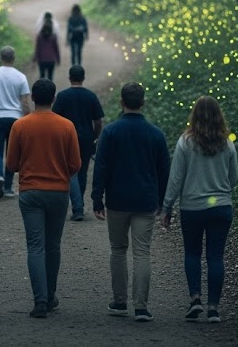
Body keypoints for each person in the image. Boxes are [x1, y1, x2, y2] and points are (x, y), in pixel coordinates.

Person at [92, 82, 170, 323]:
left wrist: (97, 199)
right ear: (143, 102)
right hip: (145, 201)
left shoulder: (111, 132)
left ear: (121, 102)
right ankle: (141, 306)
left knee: (118, 250)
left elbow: (101, 167)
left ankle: (119, 301)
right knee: (142, 252)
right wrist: (162, 201)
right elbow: (164, 171)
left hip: (117, 200)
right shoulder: (155, 133)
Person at [6, 78, 82, 318]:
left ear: (32, 99)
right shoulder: (67, 126)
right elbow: (76, 164)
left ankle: (40, 301)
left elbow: (11, 164)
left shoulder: (19, 126)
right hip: (59, 192)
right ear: (54, 98)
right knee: (53, 245)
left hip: (30, 192)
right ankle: (50, 296)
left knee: (35, 247)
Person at [161, 96, 238, 324]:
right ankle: (213, 308)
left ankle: (195, 299)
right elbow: (233, 178)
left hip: (192, 207)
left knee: (192, 253)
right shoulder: (228, 143)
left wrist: (167, 206)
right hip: (221, 207)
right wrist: (221, 190)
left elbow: (176, 178)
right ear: (218, 116)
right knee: (216, 257)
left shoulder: (185, 142)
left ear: (194, 115)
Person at [52, 65, 104, 221]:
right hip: (86, 138)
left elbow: (54, 119)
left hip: (67, 139)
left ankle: (77, 206)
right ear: (83, 78)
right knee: (82, 171)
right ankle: (79, 203)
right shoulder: (91, 96)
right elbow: (98, 121)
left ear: (69, 78)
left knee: (70, 172)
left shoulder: (62, 96)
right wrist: (94, 135)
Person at [0, 45, 31, 199]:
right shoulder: (21, 77)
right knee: (12, 153)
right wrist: (28, 121)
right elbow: (25, 103)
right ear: (13, 58)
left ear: (1, 57)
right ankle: (8, 188)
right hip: (15, 119)